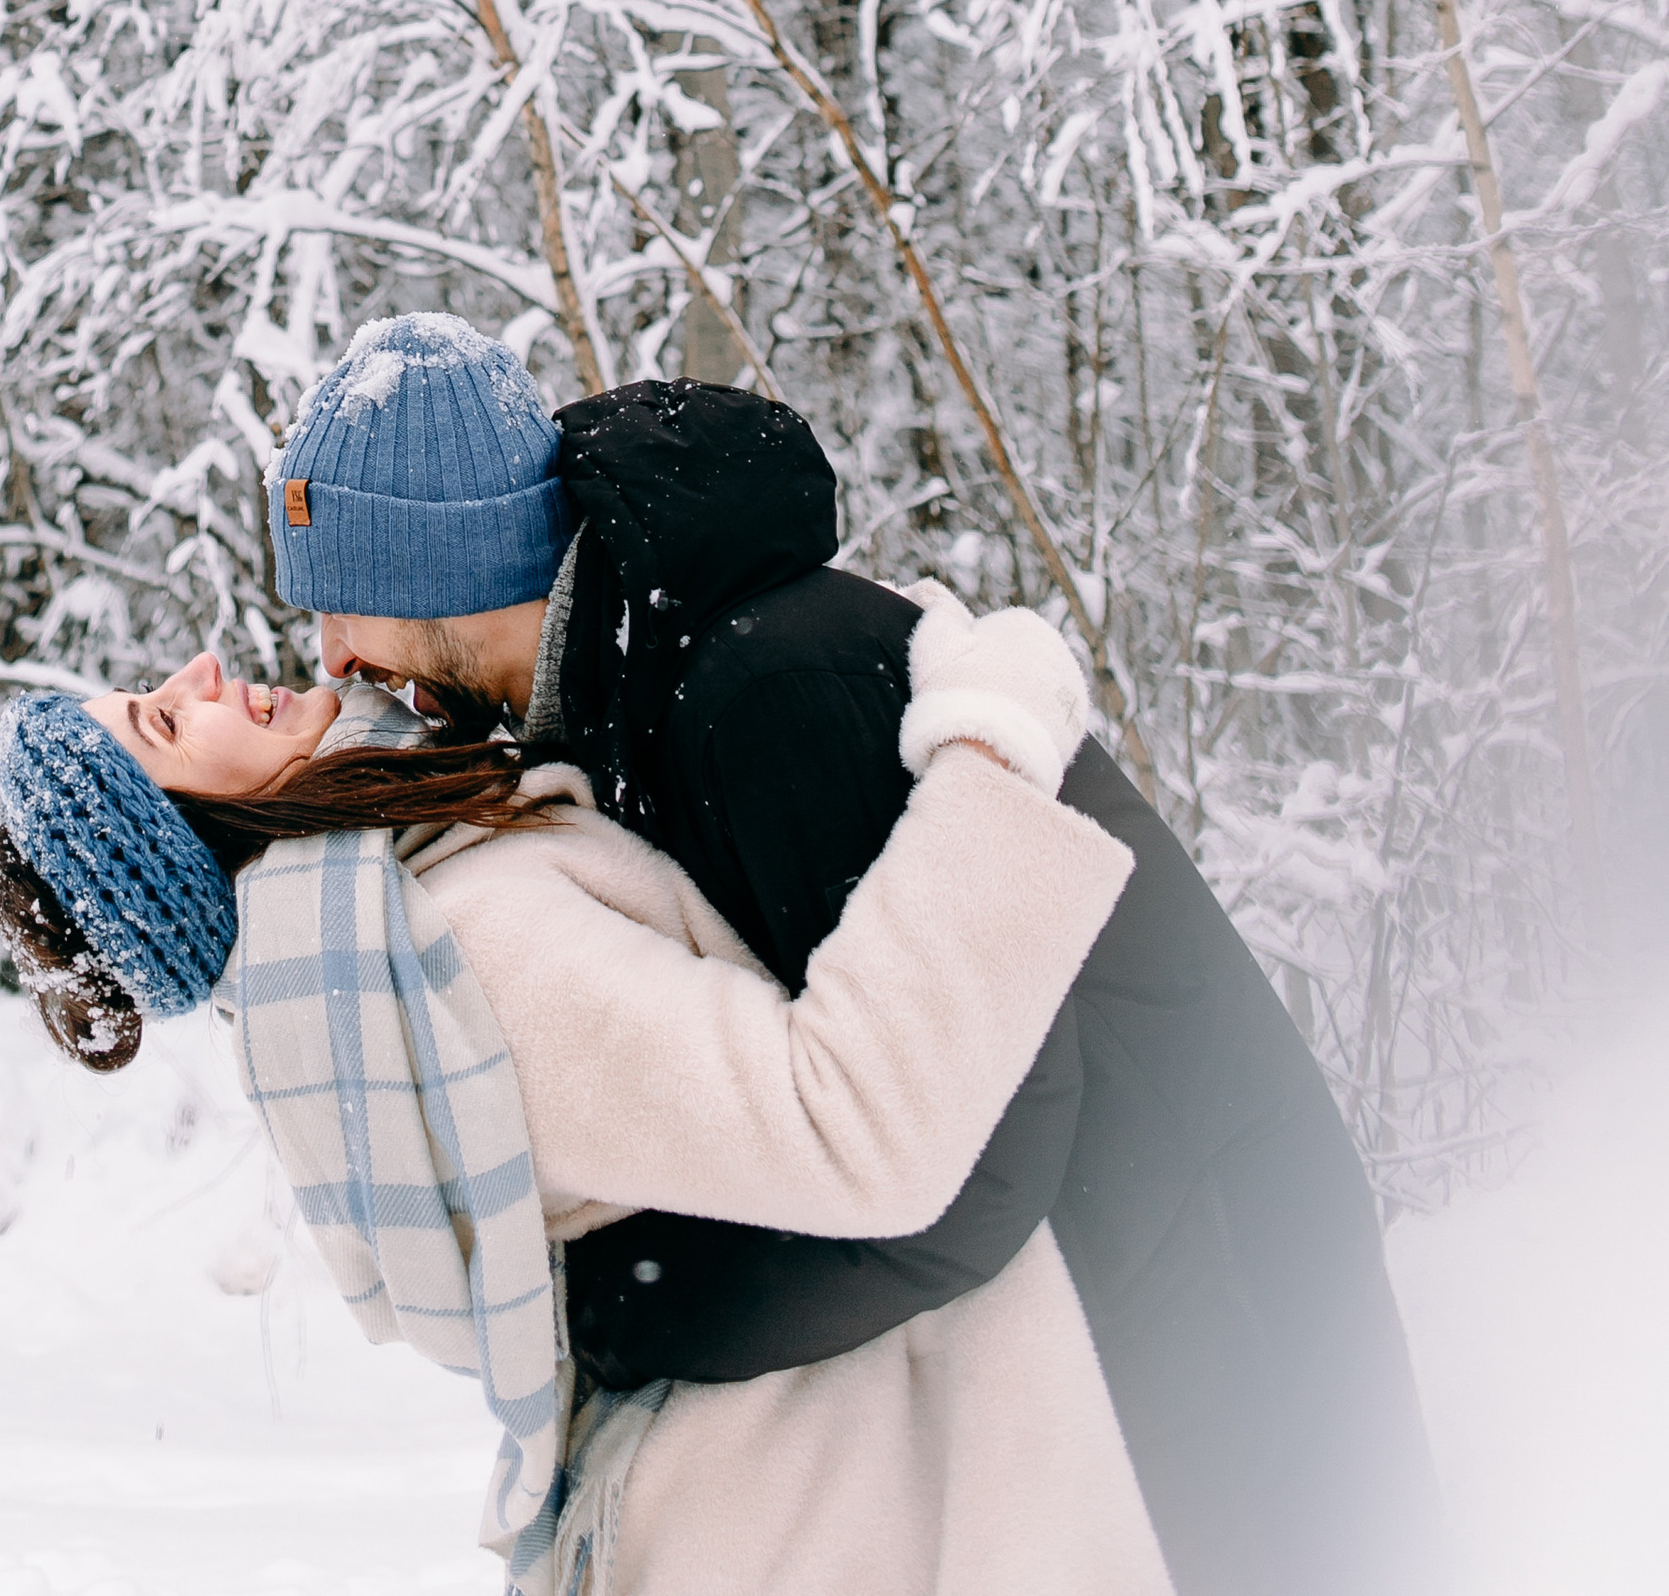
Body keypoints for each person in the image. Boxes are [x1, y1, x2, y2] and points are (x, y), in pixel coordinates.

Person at [271, 317, 1444, 1596]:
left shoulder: (751, 686)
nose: (330, 658)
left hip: (1207, 1271)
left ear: (446, 565)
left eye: (343, 601)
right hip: (1138, 1247)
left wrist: (646, 1314)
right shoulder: (642, 696)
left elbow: (976, 1149)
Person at [0, 593, 1167, 1594]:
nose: (198, 672)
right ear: (197, 834)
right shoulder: (464, 952)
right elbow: (849, 1126)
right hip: (817, 1506)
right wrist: (990, 747)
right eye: (162, 721)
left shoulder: (382, 926)